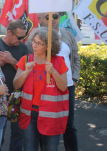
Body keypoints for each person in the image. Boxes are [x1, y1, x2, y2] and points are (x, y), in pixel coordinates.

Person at [26, 12, 80, 151]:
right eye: (48, 17)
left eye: (55, 16)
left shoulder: (68, 34)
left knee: (69, 124)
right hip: (45, 86)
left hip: (66, 85)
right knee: (44, 122)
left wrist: (74, 78)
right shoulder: (34, 36)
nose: (52, 19)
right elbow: (27, 58)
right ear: (40, 18)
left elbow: (75, 57)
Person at [14, 27, 69, 151]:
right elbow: (16, 85)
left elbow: (63, 86)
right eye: (34, 41)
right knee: (29, 148)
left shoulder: (59, 61)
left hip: (51, 115)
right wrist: (25, 73)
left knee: (50, 148)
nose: (34, 45)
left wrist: (54, 71)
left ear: (48, 46)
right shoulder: (26, 60)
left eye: (39, 43)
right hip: (29, 114)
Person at [0, 20, 29, 151]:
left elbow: (27, 71)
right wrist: (0, 65)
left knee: (18, 133)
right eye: (19, 37)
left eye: (23, 37)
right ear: (9, 32)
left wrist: (12, 61)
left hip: (17, 95)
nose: (21, 40)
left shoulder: (23, 48)